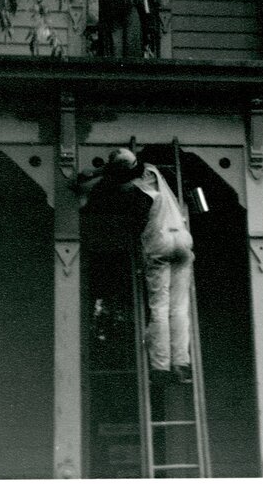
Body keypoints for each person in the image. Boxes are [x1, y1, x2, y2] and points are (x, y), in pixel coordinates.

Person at [77, 148, 194, 385]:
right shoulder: (152, 170)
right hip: (182, 237)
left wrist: (92, 175)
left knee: (159, 307)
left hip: (159, 242)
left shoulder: (129, 190)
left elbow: (100, 186)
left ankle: (160, 367)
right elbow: (125, 167)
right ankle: (181, 363)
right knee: (180, 307)